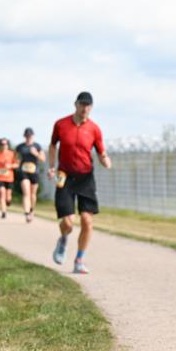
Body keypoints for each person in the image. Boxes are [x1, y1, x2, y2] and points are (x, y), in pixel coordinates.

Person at [48, 92, 112, 274]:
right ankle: (63, 240)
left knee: (87, 220)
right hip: (65, 176)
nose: (85, 108)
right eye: (82, 104)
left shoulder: (94, 129)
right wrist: (51, 167)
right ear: (75, 104)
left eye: (88, 105)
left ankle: (79, 260)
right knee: (68, 223)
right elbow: (53, 145)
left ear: (91, 108)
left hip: (85, 178)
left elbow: (101, 152)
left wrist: (106, 160)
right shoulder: (61, 124)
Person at [15, 128, 45, 222]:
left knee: (33, 194)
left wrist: (36, 153)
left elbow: (43, 159)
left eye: (30, 136)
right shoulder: (20, 147)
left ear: (33, 136)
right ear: (24, 136)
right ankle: (27, 213)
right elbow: (15, 157)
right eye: (27, 136)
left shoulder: (37, 146)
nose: (28, 137)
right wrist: (17, 163)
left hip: (34, 172)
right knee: (26, 192)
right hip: (23, 172)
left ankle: (32, 210)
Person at [0, 138, 18, 219]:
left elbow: (17, 165)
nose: (4, 146)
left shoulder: (12, 154)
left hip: (9, 178)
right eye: (2, 144)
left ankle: (8, 201)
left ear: (8, 145)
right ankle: (3, 212)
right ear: (0, 145)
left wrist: (10, 166)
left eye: (5, 144)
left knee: (8, 196)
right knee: (1, 193)